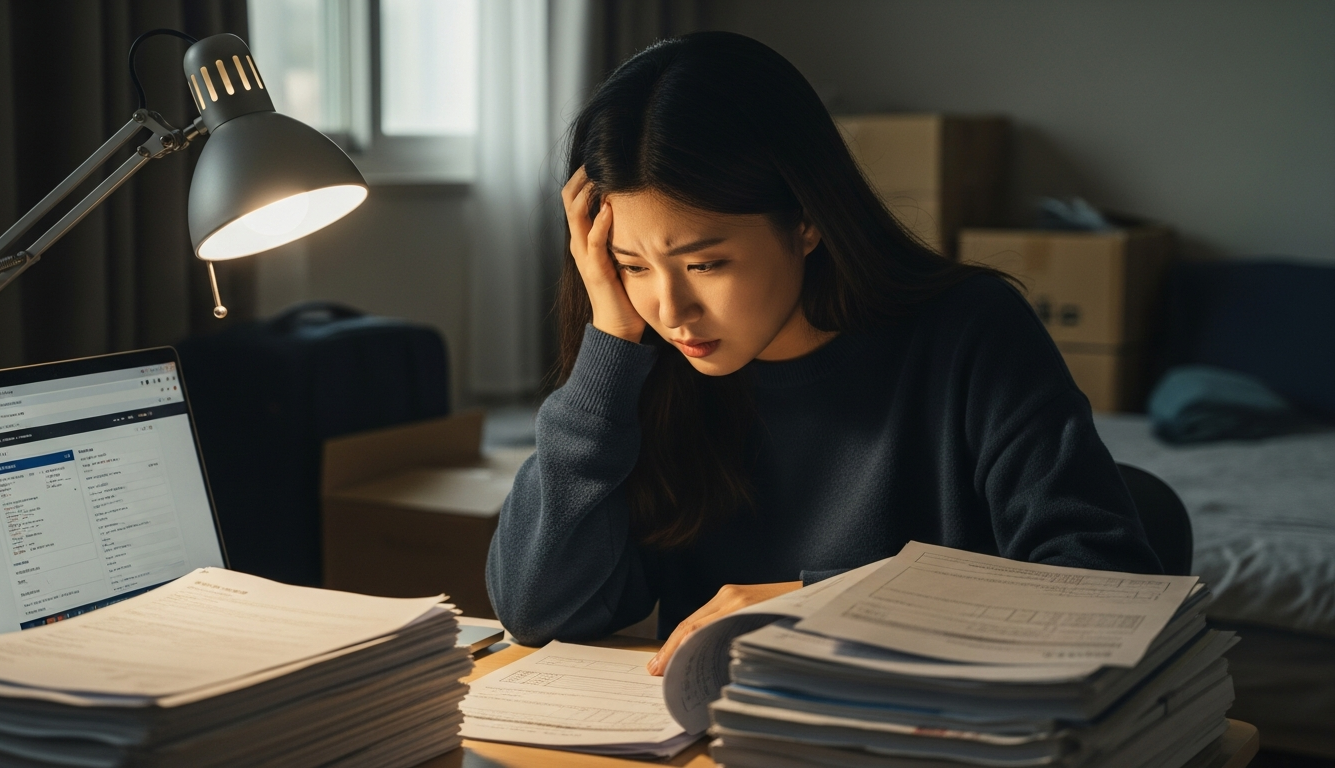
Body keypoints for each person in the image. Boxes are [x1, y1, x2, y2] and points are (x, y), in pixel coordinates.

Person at [485, 32, 1159, 674]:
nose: (670, 310)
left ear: (805, 220)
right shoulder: (651, 363)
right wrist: (606, 352)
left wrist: (820, 603)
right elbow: (538, 609)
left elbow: (1103, 583)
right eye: (631, 265)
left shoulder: (969, 333)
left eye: (707, 263)